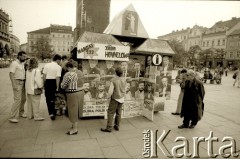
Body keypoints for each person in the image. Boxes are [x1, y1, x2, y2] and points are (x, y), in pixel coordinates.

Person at [101, 67, 126, 132]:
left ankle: (109, 127)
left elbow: (110, 91)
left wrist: (108, 97)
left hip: (115, 99)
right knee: (119, 113)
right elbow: (125, 89)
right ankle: (117, 126)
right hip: (122, 98)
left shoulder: (113, 80)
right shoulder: (124, 79)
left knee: (110, 112)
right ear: (121, 73)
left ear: (115, 73)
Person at [61, 62, 81, 135]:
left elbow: (63, 86)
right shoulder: (76, 73)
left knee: (72, 111)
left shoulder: (69, 74)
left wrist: (61, 84)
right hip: (75, 93)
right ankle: (74, 126)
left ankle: (74, 129)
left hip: (70, 94)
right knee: (74, 110)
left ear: (68, 67)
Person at [8, 51, 27, 123]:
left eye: (25, 56)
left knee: (23, 99)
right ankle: (12, 116)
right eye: (23, 56)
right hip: (17, 82)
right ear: (19, 56)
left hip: (23, 82)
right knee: (17, 99)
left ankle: (21, 113)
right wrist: (14, 84)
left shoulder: (22, 63)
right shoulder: (14, 63)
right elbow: (11, 74)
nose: (24, 58)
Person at [43, 54, 62, 120]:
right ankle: (54, 112)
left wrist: (44, 84)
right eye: (60, 61)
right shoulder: (58, 67)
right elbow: (58, 78)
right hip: (54, 82)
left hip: (47, 82)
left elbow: (44, 76)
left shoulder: (46, 65)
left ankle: (51, 113)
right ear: (58, 60)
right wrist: (57, 87)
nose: (60, 62)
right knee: (53, 98)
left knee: (48, 98)